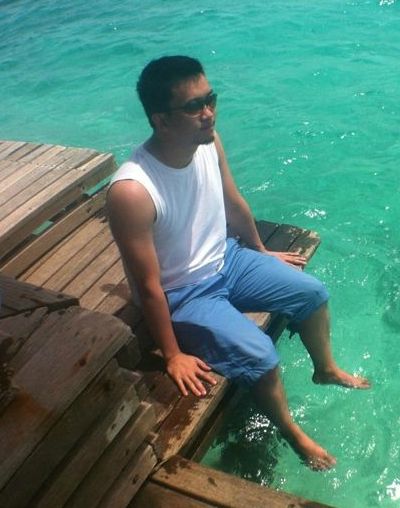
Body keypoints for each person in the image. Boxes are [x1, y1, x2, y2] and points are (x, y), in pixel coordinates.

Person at [107, 55, 369, 470]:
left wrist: (260, 250)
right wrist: (172, 355)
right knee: (262, 357)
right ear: (161, 120)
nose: (208, 112)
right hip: (182, 293)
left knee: (312, 293)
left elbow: (232, 201)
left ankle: (326, 369)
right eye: (194, 106)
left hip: (227, 258)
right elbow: (149, 286)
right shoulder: (133, 191)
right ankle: (293, 433)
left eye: (210, 99)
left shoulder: (208, 143)